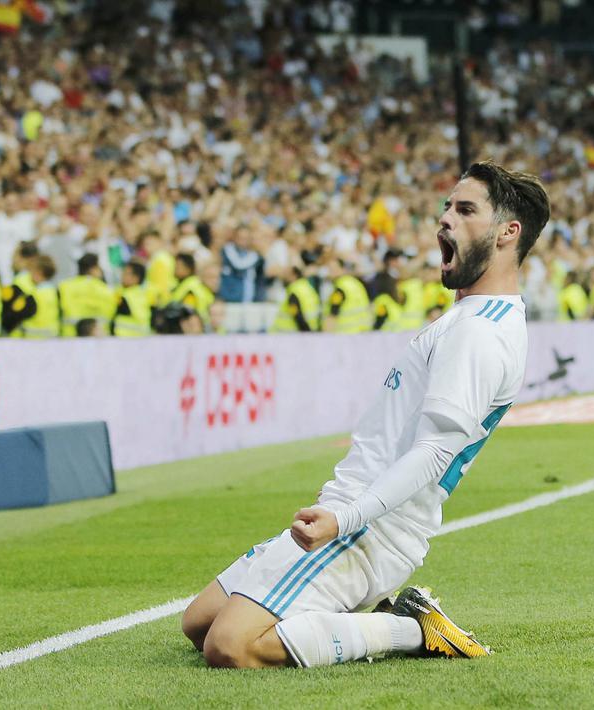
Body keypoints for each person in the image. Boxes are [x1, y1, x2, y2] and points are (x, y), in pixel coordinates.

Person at [180, 161, 550, 670]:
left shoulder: (479, 332)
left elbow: (434, 451)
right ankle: (358, 611)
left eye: (465, 210)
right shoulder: (472, 318)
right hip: (355, 507)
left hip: (373, 527)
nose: (445, 219)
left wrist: (345, 518)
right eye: (447, 205)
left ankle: (411, 628)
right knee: (199, 622)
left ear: (509, 233)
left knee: (232, 646)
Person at [58, 254, 116, 337]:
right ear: (93, 268)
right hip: (100, 339)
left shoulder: (64, 287)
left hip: (69, 340)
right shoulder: (106, 289)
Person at [321, 258, 372, 333]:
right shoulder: (355, 283)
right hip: (363, 332)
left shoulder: (340, 289)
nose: (331, 272)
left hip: (346, 334)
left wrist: (325, 336)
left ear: (342, 269)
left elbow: (333, 314)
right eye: (329, 269)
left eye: (333, 269)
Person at [169, 253, 216, 324]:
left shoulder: (191, 286)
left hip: (195, 325)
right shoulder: (183, 283)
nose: (175, 270)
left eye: (178, 267)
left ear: (188, 268)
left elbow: (189, 309)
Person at [21, 255, 60, 339]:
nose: (29, 275)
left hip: (33, 340)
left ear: (38, 272)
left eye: (31, 271)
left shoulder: (34, 295)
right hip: (52, 338)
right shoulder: (54, 292)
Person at [113, 261, 153, 337]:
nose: (122, 276)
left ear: (136, 278)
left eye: (126, 273)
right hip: (135, 339)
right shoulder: (140, 294)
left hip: (130, 339)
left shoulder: (129, 296)